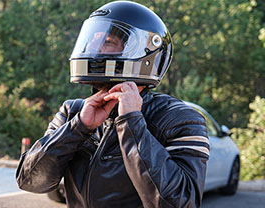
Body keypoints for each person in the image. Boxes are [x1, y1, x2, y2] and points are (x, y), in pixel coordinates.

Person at [16, 1, 209, 208]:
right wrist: (78, 127)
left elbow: (180, 203)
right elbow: (30, 181)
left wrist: (131, 123)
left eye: (107, 41)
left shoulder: (180, 119)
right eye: (91, 41)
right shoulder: (72, 112)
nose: (93, 49)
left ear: (144, 51)